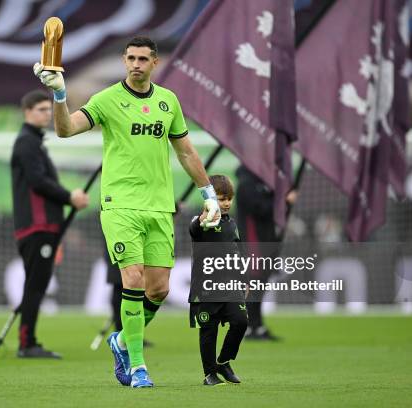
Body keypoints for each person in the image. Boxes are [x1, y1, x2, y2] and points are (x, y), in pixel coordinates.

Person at [33, 36, 221, 387]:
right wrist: (59, 93)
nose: (136, 64)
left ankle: (120, 340)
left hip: (160, 207)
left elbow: (185, 152)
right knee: (131, 280)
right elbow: (64, 129)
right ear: (124, 60)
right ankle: (137, 367)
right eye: (131, 58)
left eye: (142, 59)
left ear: (154, 63)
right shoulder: (107, 99)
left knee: (159, 290)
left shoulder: (168, 101)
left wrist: (208, 193)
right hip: (120, 205)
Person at [10, 90, 89, 358]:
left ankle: (28, 340)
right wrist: (70, 197)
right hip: (37, 227)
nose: (46, 114)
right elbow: (38, 182)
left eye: (48, 109)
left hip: (41, 227)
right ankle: (27, 343)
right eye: (41, 109)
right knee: (36, 285)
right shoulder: (26, 143)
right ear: (27, 112)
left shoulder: (33, 143)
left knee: (37, 284)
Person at [189, 175, 247, 386]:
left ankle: (223, 361)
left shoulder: (232, 224)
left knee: (241, 321)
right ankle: (209, 373)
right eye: (222, 199)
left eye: (229, 198)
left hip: (230, 286)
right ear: (211, 200)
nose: (227, 203)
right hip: (206, 288)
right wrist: (204, 216)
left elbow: (239, 254)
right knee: (209, 330)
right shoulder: (203, 221)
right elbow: (194, 228)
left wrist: (244, 279)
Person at [235, 165, 296, 340]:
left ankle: (257, 326)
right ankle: (250, 326)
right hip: (252, 242)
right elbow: (260, 208)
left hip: (264, 240)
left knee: (259, 285)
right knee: (254, 284)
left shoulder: (262, 183)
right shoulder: (247, 184)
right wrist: (284, 201)